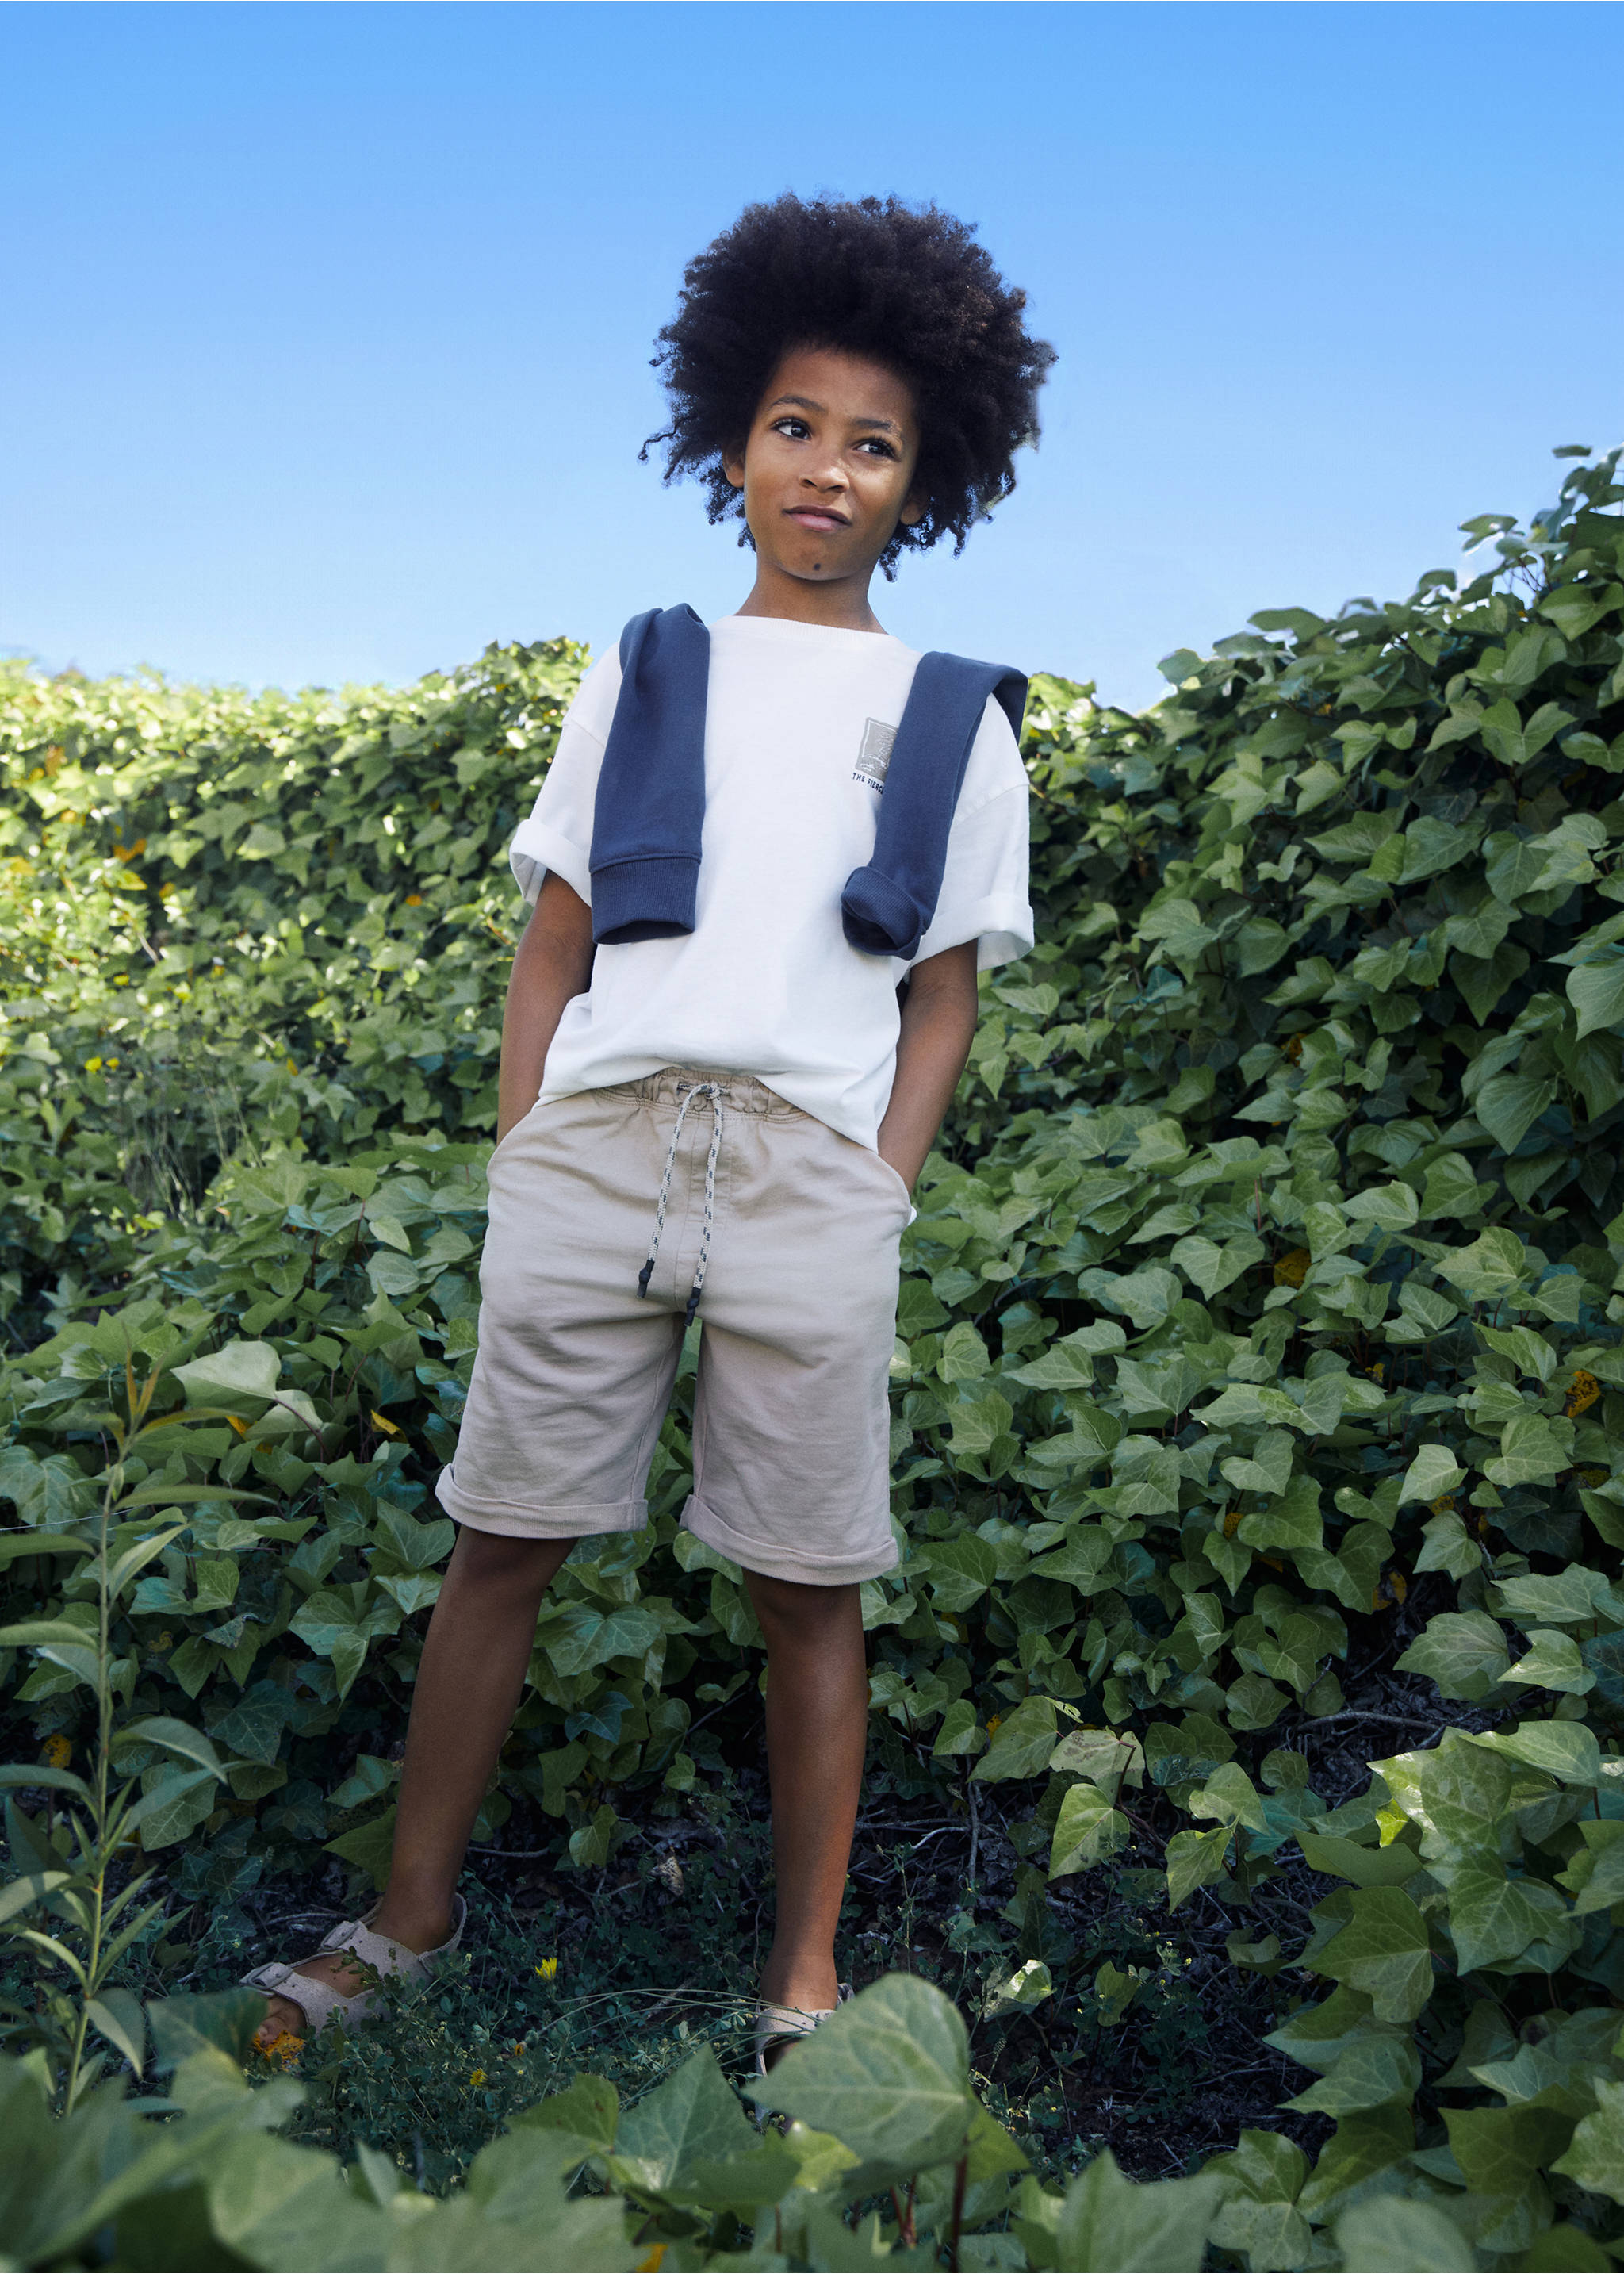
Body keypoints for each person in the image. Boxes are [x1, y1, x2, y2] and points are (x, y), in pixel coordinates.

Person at [248, 192, 1053, 2064]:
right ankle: (406, 1920)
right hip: (599, 1155)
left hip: (805, 1178)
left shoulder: (954, 719)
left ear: (923, 483)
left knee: (805, 1582)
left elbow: (942, 997)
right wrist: (529, 1145)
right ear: (728, 441)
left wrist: (876, 1190)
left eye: (874, 445)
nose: (828, 472)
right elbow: (555, 945)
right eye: (796, 427)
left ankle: (802, 1984)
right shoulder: (648, 666)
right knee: (501, 1541)